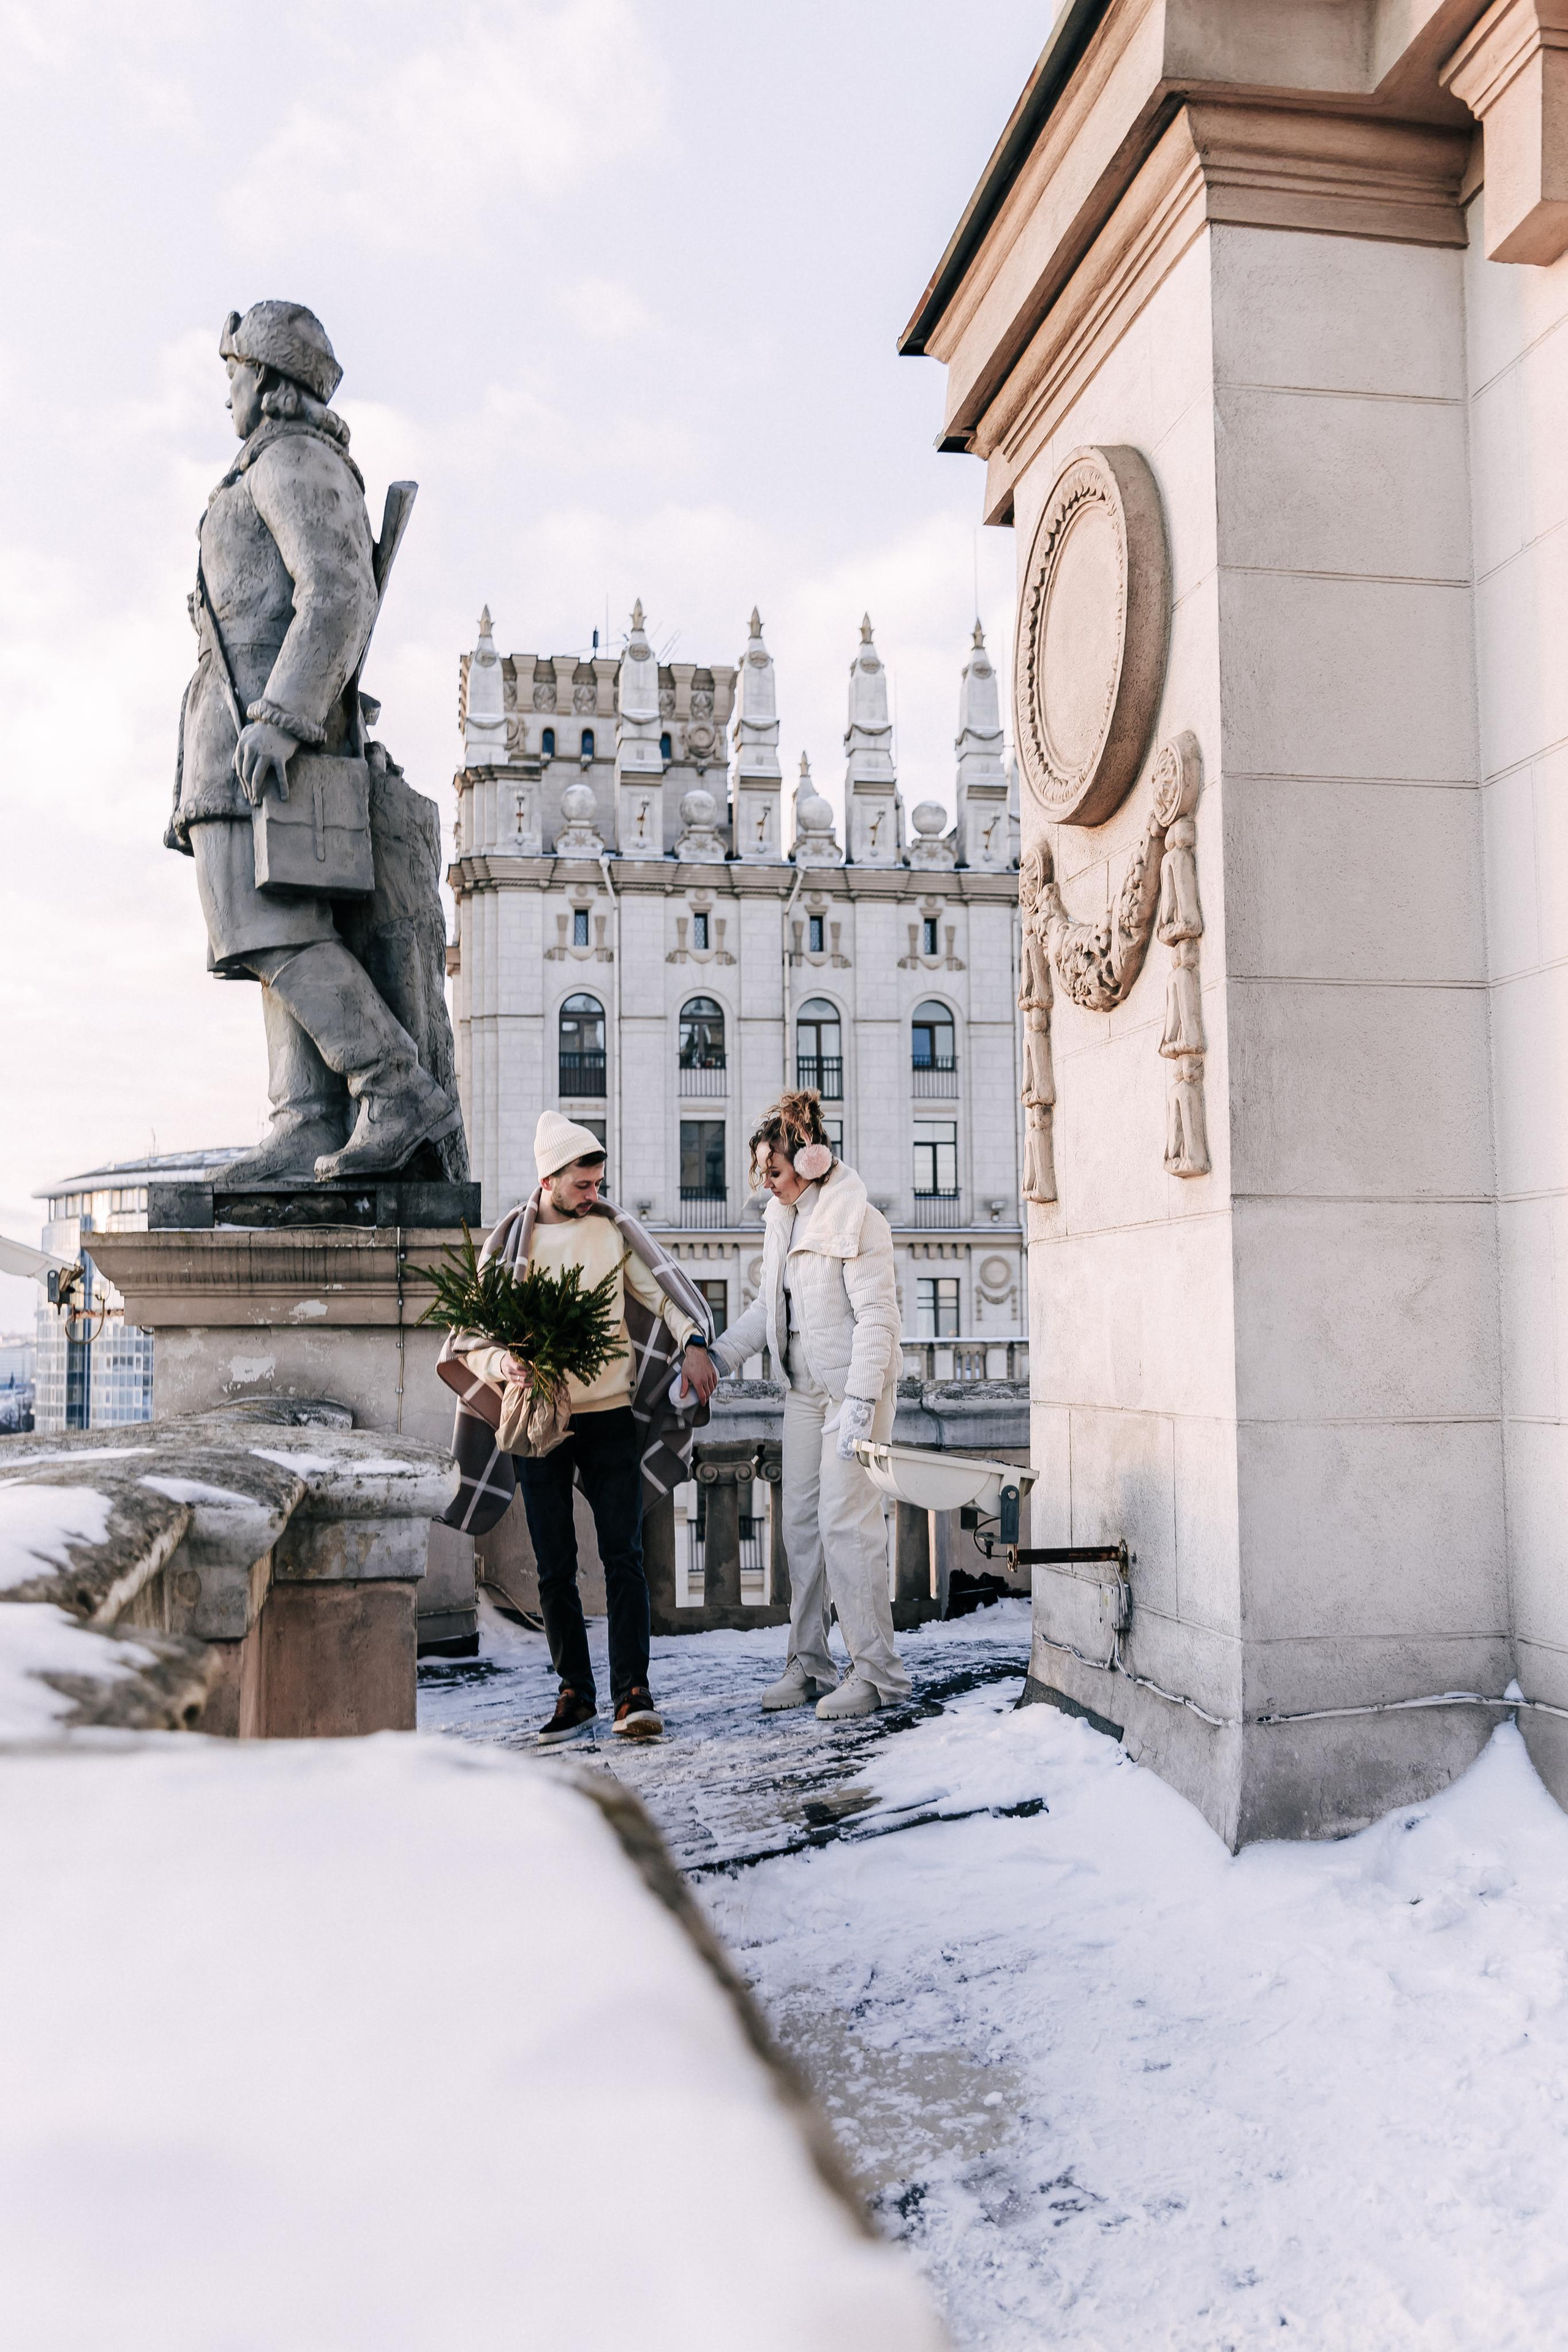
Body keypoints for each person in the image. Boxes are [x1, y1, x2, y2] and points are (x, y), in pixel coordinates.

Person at [165, 299, 460, 1183]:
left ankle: (395, 1086)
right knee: (263, 928)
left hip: (268, 737)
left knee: (274, 926)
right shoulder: (260, 465)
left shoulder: (297, 458)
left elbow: (336, 590)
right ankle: (305, 1115)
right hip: (236, 732)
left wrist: (284, 716)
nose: (228, 398)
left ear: (268, 382)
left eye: (235, 377)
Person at [446, 1113, 720, 1745]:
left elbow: (659, 1294)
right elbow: (472, 1339)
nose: (595, 1193)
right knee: (553, 1565)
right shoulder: (511, 1243)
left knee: (624, 1556)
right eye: (583, 1184)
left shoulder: (610, 1230)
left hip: (609, 1417)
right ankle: (575, 1690)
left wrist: (696, 1342)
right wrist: (505, 1366)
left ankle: (633, 1693)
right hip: (540, 1418)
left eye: (598, 1182)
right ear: (549, 1178)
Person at [706, 1091, 910, 1718]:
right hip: (802, 1392)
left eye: (774, 1172)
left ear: (812, 1161)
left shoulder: (859, 1220)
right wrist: (718, 1358)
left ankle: (876, 1674)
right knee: (799, 1526)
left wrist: (859, 1403)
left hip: (852, 1391)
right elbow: (769, 1308)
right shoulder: (783, 1220)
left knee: (847, 1527)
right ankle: (811, 1661)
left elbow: (879, 1320)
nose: (766, 1186)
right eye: (762, 1174)